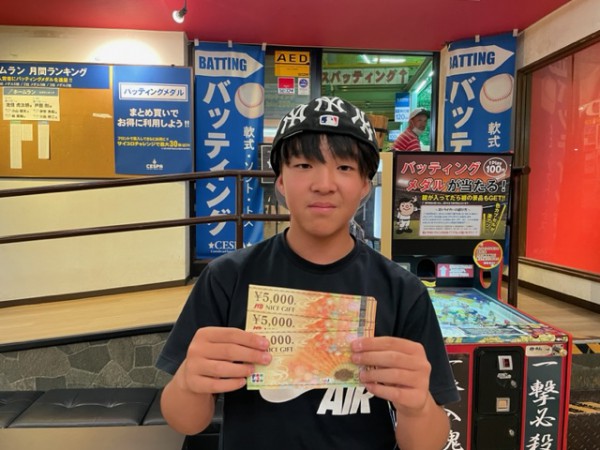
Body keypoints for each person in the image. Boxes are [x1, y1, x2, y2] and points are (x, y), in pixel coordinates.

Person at [156, 96, 459, 450]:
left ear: (365, 184)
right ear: (280, 181)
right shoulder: (226, 278)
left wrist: (417, 406)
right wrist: (188, 382)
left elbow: (426, 443)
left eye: (344, 167)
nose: (324, 183)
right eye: (303, 165)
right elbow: (186, 422)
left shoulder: (403, 291)